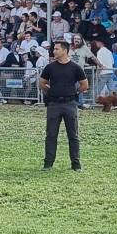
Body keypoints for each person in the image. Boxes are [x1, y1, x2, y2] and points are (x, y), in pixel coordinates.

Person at [39, 41, 88, 172]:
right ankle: (48, 164)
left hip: (70, 104)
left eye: (56, 49)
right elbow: (42, 83)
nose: (54, 51)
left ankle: (76, 164)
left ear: (65, 50)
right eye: (54, 49)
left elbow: (84, 85)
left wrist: (74, 93)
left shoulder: (75, 67)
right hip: (54, 104)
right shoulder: (50, 67)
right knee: (51, 135)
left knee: (73, 135)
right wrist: (51, 91)